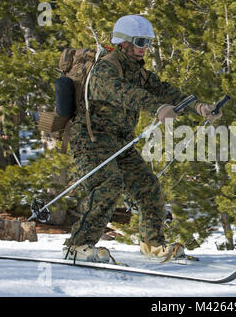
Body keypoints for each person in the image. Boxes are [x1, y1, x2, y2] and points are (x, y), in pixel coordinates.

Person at [62, 15, 221, 263]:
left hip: (120, 142)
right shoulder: (104, 68)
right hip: (92, 139)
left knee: (148, 187)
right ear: (122, 42)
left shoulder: (139, 72)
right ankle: (77, 246)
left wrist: (199, 107)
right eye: (139, 41)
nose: (143, 48)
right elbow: (124, 94)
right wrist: (157, 108)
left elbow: (165, 90)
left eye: (147, 42)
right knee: (108, 185)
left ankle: (153, 244)